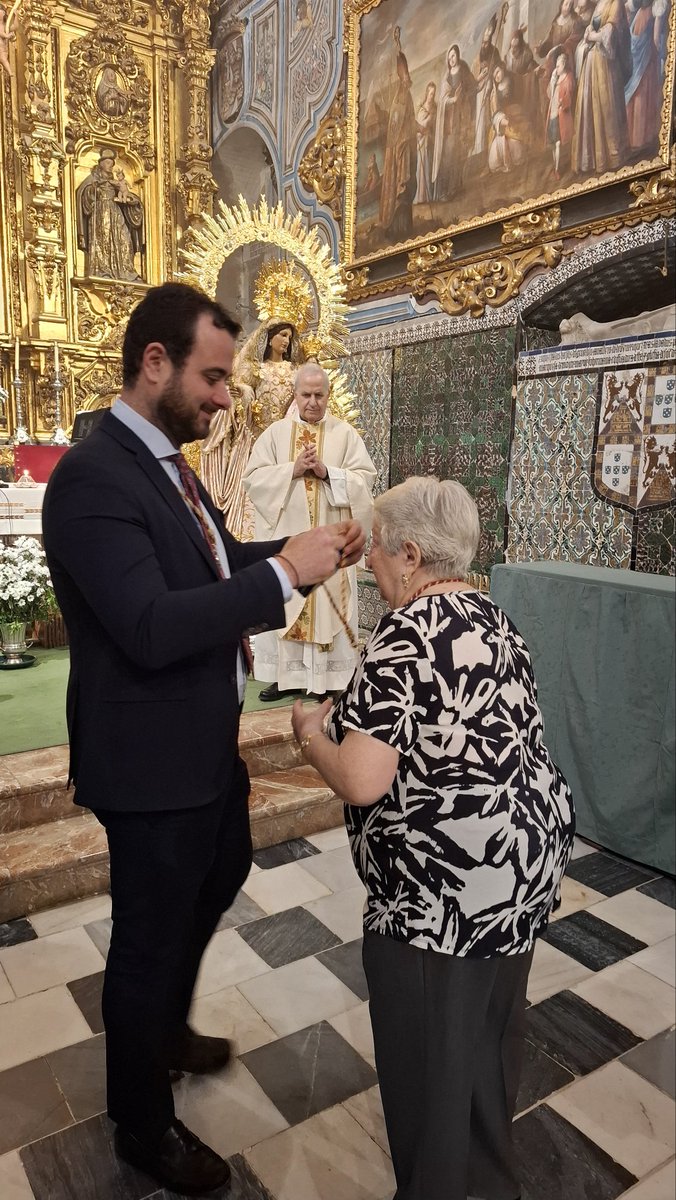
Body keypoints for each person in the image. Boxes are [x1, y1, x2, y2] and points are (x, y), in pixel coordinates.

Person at [42, 283, 365, 1197]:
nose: (227, 397)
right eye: (214, 378)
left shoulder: (168, 470)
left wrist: (304, 557)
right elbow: (148, 624)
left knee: (219, 870)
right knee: (145, 941)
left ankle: (167, 1028)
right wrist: (282, 580)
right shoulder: (92, 477)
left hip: (196, 746)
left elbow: (216, 566)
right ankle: (142, 1123)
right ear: (156, 364)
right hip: (146, 761)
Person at [292, 476, 575, 1200]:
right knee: (484, 1052)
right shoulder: (495, 618)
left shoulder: (407, 632)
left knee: (428, 1076)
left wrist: (309, 739)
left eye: (378, 552)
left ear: (411, 554)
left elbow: (361, 779)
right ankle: (488, 1183)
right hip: (522, 870)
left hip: (442, 894)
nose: (368, 565)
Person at [243, 363, 376, 701]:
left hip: (330, 547)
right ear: (296, 395)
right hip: (290, 544)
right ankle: (284, 678)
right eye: (306, 395)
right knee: (288, 603)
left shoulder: (345, 435)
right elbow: (253, 481)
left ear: (328, 395)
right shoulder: (274, 435)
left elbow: (365, 482)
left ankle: (325, 681)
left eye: (319, 395)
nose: (313, 402)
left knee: (325, 607)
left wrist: (328, 472)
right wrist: (293, 469)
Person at [201, 319, 305, 540]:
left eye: (289, 336)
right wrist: (242, 392)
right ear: (269, 338)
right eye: (282, 335)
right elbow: (234, 402)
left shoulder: (296, 371)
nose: (287, 341)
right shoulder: (255, 369)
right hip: (256, 443)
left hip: (286, 443)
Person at [572, 0, 632, 174]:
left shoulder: (616, 3)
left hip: (606, 63)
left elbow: (611, 33)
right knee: (590, 106)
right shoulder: (598, 6)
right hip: (591, 63)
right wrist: (589, 32)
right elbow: (592, 29)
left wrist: (591, 36)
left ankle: (613, 156)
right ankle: (591, 158)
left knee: (607, 105)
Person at [76, 147, 145, 281]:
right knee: (103, 240)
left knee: (124, 238)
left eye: (111, 164)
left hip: (115, 211)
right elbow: (83, 195)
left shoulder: (116, 182)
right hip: (100, 213)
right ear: (101, 164)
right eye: (107, 163)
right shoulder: (92, 180)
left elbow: (125, 193)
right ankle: (102, 270)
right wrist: (94, 189)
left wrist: (132, 201)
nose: (110, 166)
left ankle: (127, 270)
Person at [379, 30, 417, 240]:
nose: (406, 79)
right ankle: (396, 228)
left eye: (407, 76)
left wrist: (417, 131)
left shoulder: (406, 96)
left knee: (406, 189)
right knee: (400, 188)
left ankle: (403, 228)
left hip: (407, 148)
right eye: (404, 76)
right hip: (399, 149)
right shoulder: (398, 99)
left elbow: (409, 120)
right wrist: (396, 44)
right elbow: (397, 122)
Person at [431, 46, 476, 202]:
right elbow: (443, 100)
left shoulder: (464, 71)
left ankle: (456, 187)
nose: (452, 59)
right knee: (449, 155)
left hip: (462, 119)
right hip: (450, 122)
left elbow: (473, 87)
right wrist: (453, 100)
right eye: (449, 57)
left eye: (454, 56)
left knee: (460, 152)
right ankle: (443, 191)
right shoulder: (447, 78)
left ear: (458, 55)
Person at [546, 51, 576, 176]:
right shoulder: (556, 79)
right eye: (556, 66)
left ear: (564, 64)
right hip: (552, 114)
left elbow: (570, 94)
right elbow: (549, 95)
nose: (556, 69)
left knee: (558, 142)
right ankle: (555, 165)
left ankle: (557, 169)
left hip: (561, 116)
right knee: (553, 143)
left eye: (558, 66)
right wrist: (552, 82)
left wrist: (562, 102)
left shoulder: (568, 77)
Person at [414, 82, 438, 205]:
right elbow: (419, 125)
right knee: (421, 169)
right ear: (427, 93)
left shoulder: (434, 109)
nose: (431, 96)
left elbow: (432, 125)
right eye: (430, 93)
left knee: (428, 168)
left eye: (433, 94)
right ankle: (421, 196)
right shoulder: (422, 108)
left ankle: (429, 196)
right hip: (421, 142)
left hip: (429, 141)